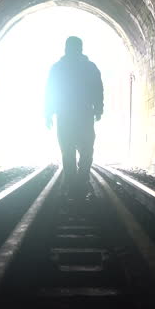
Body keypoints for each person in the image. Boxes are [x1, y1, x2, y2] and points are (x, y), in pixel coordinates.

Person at [45, 36, 104, 197]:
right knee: (86, 150)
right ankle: (80, 180)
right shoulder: (90, 67)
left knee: (68, 151)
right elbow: (98, 90)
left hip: (65, 117)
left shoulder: (57, 68)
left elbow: (50, 92)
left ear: (66, 48)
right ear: (81, 49)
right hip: (84, 116)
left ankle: (72, 183)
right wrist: (99, 109)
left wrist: (48, 114)